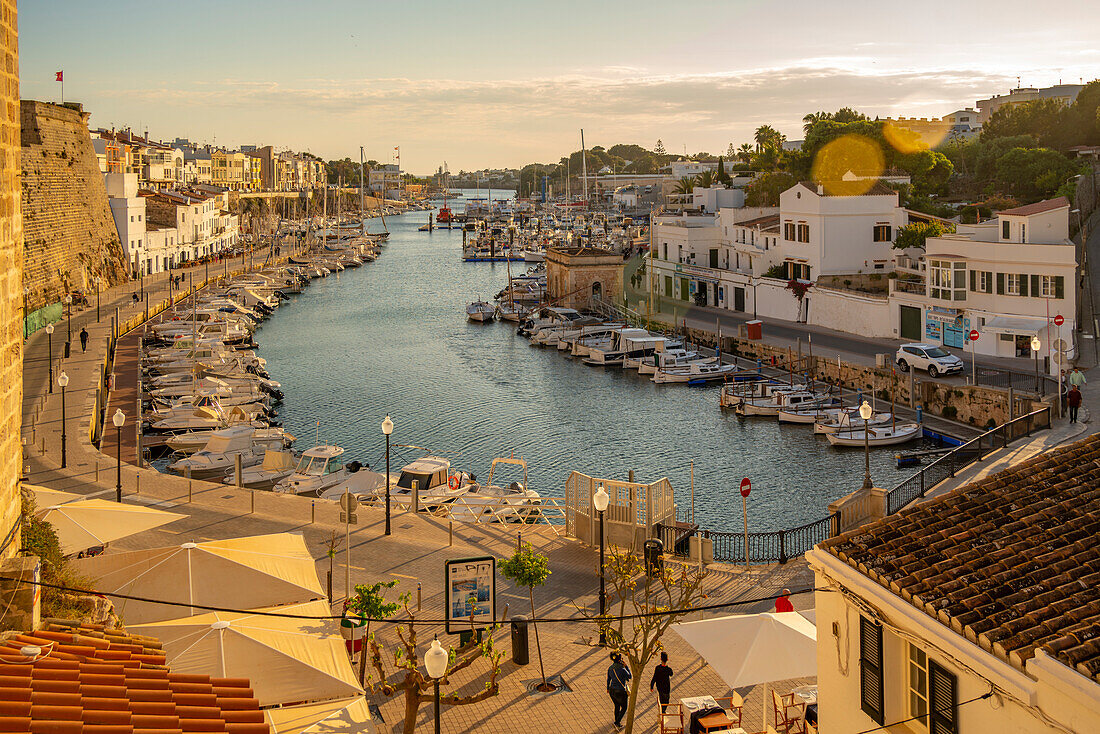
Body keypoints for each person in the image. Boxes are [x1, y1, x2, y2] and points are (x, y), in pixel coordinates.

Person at [607, 652, 631, 730]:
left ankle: (617, 722)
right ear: (620, 659)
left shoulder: (610, 668)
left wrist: (607, 688)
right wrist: (626, 666)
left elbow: (608, 679)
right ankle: (617, 722)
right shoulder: (622, 669)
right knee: (624, 707)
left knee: (617, 705)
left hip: (612, 691)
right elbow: (629, 676)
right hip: (620, 691)